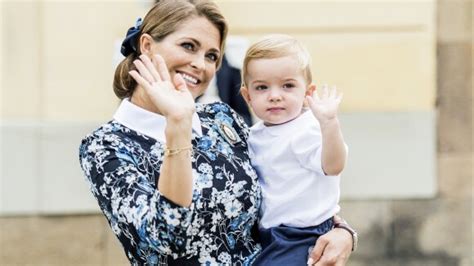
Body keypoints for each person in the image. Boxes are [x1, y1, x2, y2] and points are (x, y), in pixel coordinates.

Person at [78, 0, 354, 265]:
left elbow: (285, 182)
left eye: (211, 56)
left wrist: (341, 231)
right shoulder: (106, 146)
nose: (201, 64)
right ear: (147, 46)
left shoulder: (221, 119)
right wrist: (178, 126)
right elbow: (164, 237)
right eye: (189, 46)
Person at [240, 35, 352, 265]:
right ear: (247, 96)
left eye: (288, 86)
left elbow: (334, 166)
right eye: (262, 87)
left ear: (308, 93)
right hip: (270, 234)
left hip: (303, 233)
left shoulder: (306, 128)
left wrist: (330, 124)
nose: (275, 95)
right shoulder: (254, 134)